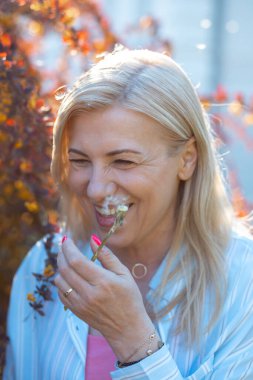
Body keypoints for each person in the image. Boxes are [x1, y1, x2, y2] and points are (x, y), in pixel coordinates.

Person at [4, 47, 253, 380]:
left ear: (187, 159)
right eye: (79, 161)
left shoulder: (243, 280)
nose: (94, 189)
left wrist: (133, 341)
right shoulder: (45, 266)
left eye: (123, 161)